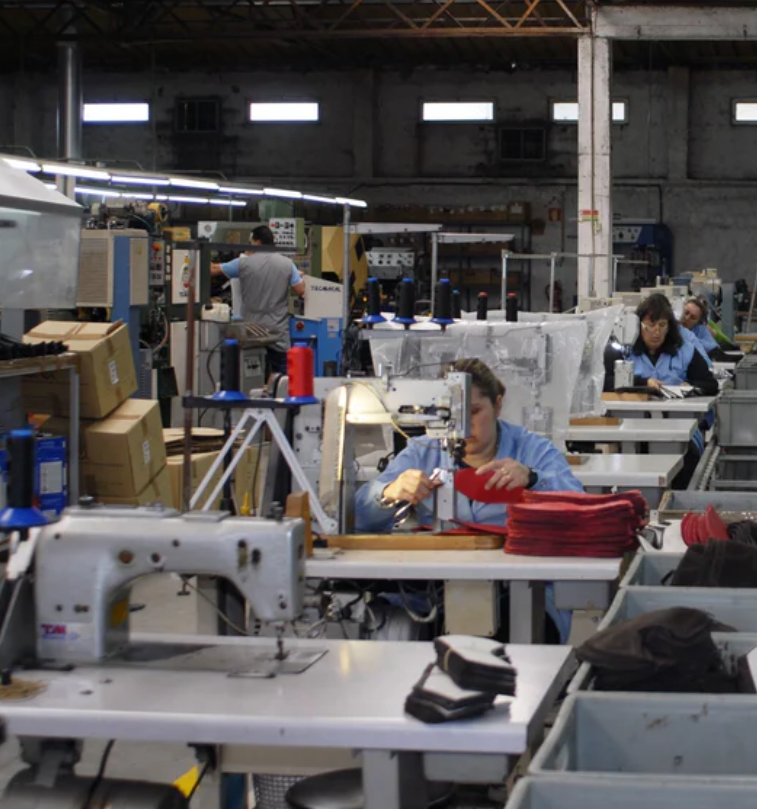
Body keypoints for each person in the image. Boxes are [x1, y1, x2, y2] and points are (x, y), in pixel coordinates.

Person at [353, 357, 585, 639]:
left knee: (515, 645)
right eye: (450, 414)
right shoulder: (422, 450)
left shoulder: (531, 450)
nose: (461, 428)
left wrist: (535, 479)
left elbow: (582, 509)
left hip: (521, 592)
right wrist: (388, 493)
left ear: (498, 405)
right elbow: (360, 516)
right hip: (433, 593)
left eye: (473, 412)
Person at [210, 225, 305, 379]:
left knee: (252, 376)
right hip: (278, 329)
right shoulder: (287, 264)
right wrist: (300, 277)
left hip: (252, 330)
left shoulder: (243, 263)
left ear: (257, 242)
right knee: (282, 378)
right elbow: (301, 290)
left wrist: (188, 264)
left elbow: (214, 269)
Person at [631, 293, 719, 396]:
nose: (657, 332)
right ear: (638, 325)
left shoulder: (685, 350)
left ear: (669, 327)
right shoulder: (626, 350)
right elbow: (609, 380)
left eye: (662, 325)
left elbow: (711, 384)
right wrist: (644, 382)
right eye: (651, 325)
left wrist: (689, 385)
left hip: (675, 411)